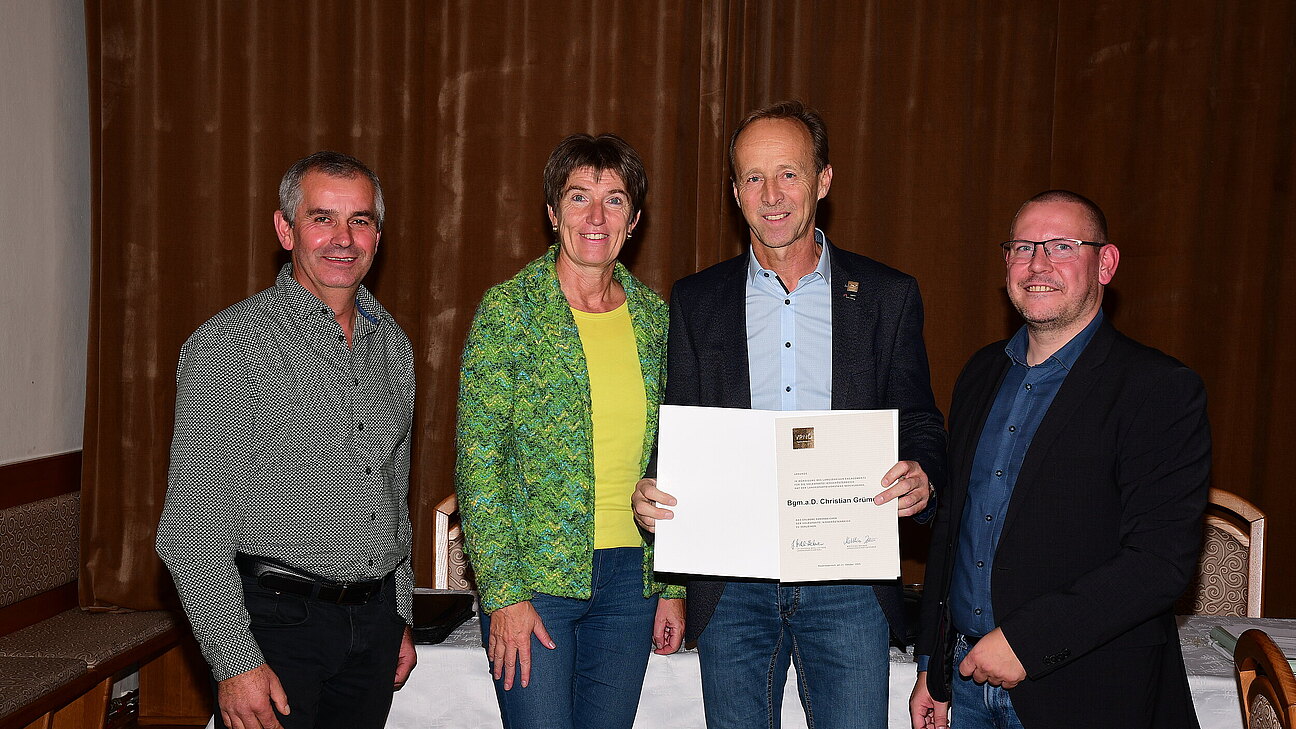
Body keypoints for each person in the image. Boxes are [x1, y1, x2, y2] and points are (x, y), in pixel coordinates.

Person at [633, 101, 947, 729]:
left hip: (848, 585)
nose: (771, 196)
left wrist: (924, 476)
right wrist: (654, 490)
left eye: (788, 174)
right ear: (735, 192)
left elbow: (919, 420)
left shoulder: (887, 296)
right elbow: (680, 433)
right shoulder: (697, 300)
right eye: (753, 177)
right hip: (733, 588)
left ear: (823, 181)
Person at [909, 190, 1211, 729]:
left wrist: (1026, 642)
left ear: (1106, 264)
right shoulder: (981, 372)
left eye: (1062, 246)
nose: (1038, 264)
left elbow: (1159, 563)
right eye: (1023, 247)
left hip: (1087, 692)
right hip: (966, 683)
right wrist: (933, 665)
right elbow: (954, 527)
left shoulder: (1158, 388)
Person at [156, 151, 417, 729]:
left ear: (377, 235)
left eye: (360, 220)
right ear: (285, 229)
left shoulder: (394, 347)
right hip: (274, 627)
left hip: (372, 629)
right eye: (322, 218)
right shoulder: (231, 345)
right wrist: (235, 662)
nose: (343, 238)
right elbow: (189, 530)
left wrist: (398, 613)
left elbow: (394, 497)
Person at [456, 133, 686, 729]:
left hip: (632, 583)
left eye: (614, 200)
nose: (595, 216)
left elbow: (676, 454)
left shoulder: (657, 318)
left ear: (634, 220)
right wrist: (503, 594)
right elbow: (480, 465)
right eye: (579, 197)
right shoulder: (509, 311)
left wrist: (671, 586)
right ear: (553, 213)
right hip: (534, 581)